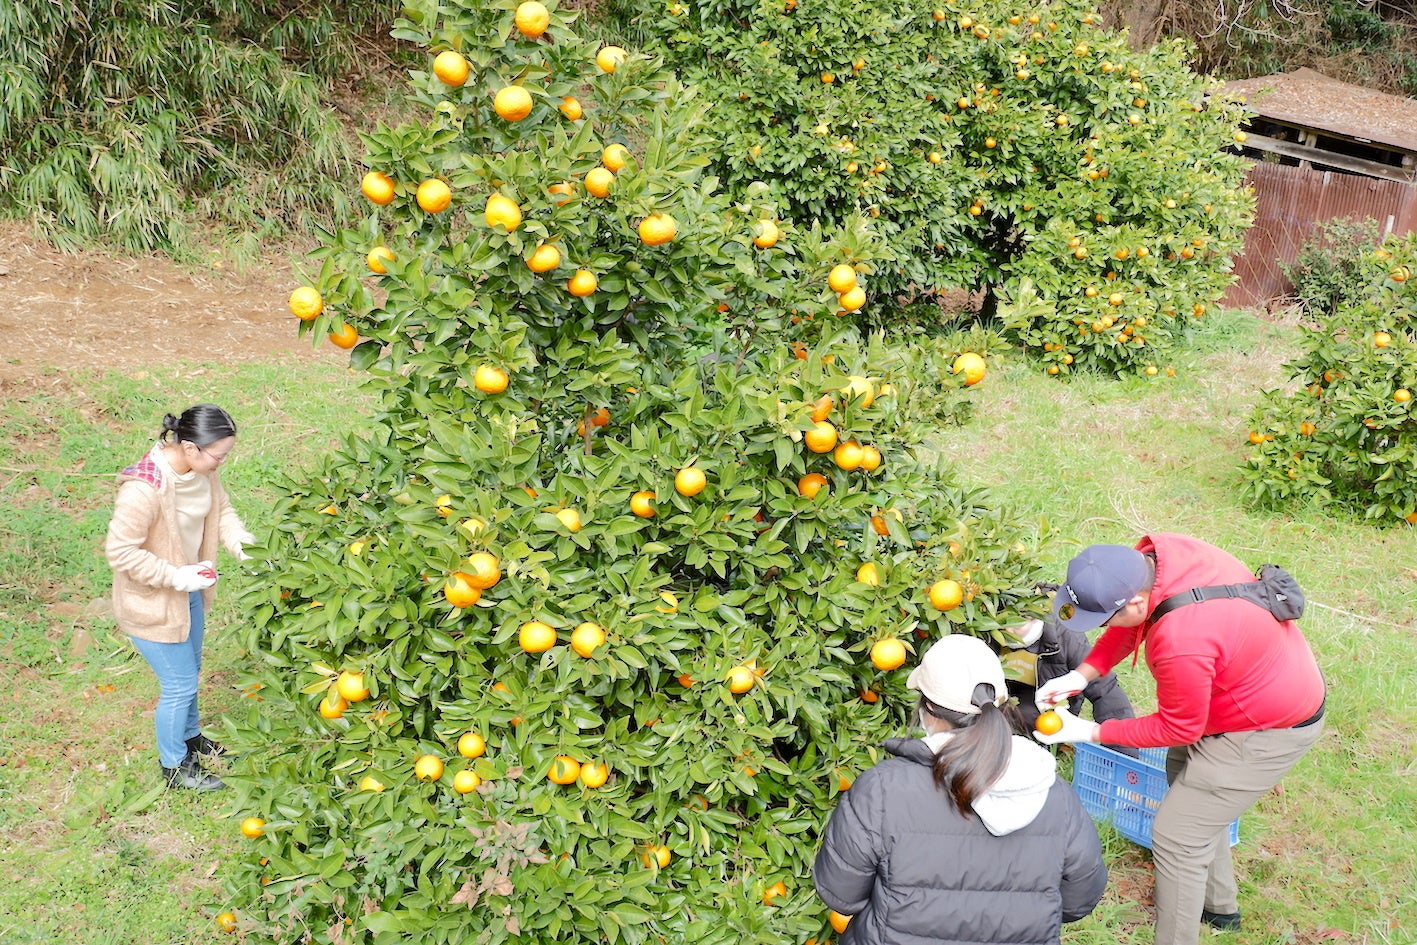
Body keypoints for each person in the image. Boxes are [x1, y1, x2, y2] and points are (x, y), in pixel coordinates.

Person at [1033, 536, 1326, 945]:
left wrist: (1089, 731)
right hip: (1248, 686)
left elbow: (1179, 727)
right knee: (1185, 783)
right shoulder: (1159, 564)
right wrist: (1081, 674)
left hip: (1268, 727)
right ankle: (1218, 906)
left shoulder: (1181, 641)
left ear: (1134, 601)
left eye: (1100, 618)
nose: (1098, 626)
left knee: (1177, 837)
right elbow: (1133, 622)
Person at [813, 634, 1107, 945]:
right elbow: (1079, 900)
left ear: (927, 709)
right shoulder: (1053, 792)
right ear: (1002, 705)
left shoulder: (881, 791)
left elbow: (841, 894)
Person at [105, 404, 253, 791]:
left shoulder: (202, 473)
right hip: (153, 603)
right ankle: (174, 766)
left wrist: (244, 548)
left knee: (190, 670)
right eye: (218, 455)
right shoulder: (144, 489)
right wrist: (175, 575)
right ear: (190, 447)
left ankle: (191, 738)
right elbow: (120, 552)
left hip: (188, 593)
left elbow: (221, 513)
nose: (221, 462)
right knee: (178, 685)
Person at [999, 613, 1138, 756]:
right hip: (1001, 698)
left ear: (1036, 617)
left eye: (1018, 623)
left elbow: (1105, 690)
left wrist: (1123, 754)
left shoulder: (1065, 637)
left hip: (1046, 709)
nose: (1008, 630)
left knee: (1029, 716)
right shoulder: (987, 632)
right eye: (1002, 621)